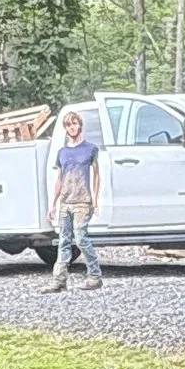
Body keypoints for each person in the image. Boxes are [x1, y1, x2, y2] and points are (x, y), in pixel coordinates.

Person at [41, 108, 104, 292]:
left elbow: (96, 175)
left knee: (81, 237)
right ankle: (59, 280)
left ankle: (94, 275)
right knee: (63, 241)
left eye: (74, 123)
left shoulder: (90, 149)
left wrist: (95, 199)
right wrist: (53, 204)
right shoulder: (62, 152)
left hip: (82, 201)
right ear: (65, 128)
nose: (72, 127)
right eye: (68, 124)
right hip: (65, 202)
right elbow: (59, 179)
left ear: (80, 125)